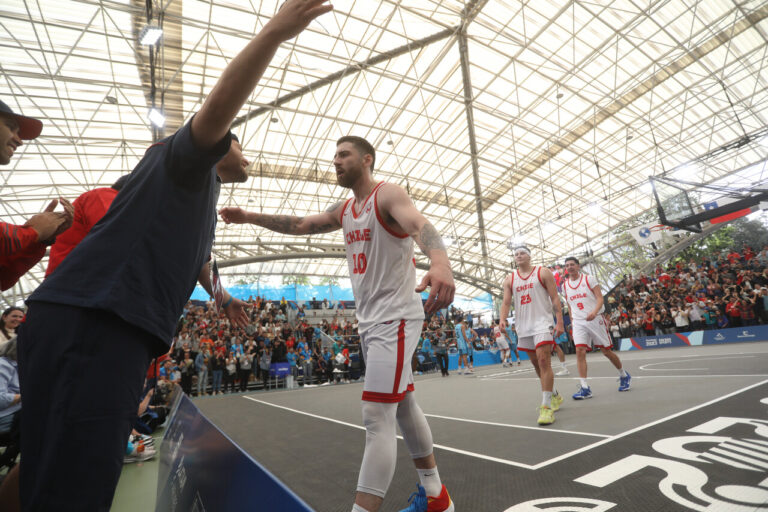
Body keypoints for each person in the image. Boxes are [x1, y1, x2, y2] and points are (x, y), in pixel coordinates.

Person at [15, 3, 332, 510]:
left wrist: (221, 295)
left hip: (89, 323)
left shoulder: (180, 193)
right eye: (236, 143)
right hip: (99, 324)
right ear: (214, 144)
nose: (244, 154)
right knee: (78, 480)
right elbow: (215, 111)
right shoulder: (188, 164)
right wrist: (275, 33)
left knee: (50, 464)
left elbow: (192, 258)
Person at [220, 135, 455, 512]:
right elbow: (298, 223)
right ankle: (437, 498)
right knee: (405, 405)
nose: (336, 161)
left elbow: (419, 225)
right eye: (334, 156)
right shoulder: (347, 209)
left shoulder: (387, 194)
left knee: (376, 415)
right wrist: (250, 217)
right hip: (372, 322)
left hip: (395, 317)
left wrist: (440, 263)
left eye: (344, 155)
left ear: (367, 159)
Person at [499, 246, 564, 426]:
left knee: (544, 361)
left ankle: (546, 407)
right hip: (523, 325)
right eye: (516, 254)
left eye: (522, 253)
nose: (518, 256)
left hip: (542, 322)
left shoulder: (542, 272)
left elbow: (555, 298)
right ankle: (555, 395)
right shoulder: (510, 279)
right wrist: (502, 319)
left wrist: (560, 321)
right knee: (536, 364)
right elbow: (505, 302)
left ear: (529, 256)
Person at [563, 257, 630, 400]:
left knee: (606, 351)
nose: (569, 267)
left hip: (595, 319)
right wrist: (573, 320)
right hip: (578, 322)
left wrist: (594, 312)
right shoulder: (565, 285)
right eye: (567, 265)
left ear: (578, 266)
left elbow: (600, 298)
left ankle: (623, 374)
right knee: (579, 351)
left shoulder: (589, 279)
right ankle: (585, 387)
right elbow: (570, 305)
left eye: (572, 264)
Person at [44, 175, 130, 277]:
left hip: (74, 275)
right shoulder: (105, 195)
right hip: (73, 277)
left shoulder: (102, 198)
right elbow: (115, 233)